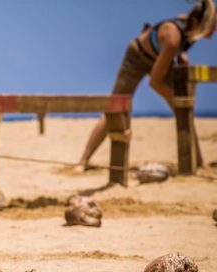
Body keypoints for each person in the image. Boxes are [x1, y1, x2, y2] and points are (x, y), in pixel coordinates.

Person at [74, 0, 216, 172]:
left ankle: (197, 161)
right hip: (137, 57)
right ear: (199, 23)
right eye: (212, 25)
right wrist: (173, 99)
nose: (214, 30)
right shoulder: (173, 38)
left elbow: (179, 34)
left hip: (161, 59)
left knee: (185, 110)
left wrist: (182, 56)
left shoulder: (190, 28)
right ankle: (83, 160)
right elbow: (155, 82)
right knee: (115, 108)